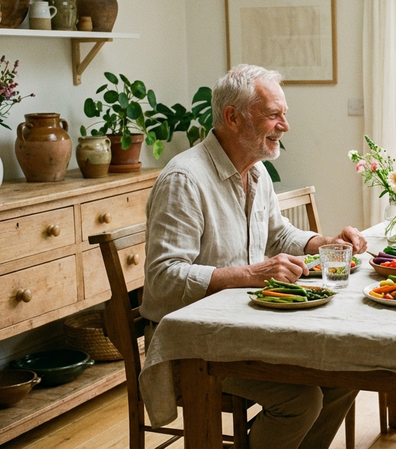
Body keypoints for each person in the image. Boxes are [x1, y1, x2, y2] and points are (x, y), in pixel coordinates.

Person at [141, 64, 366, 449]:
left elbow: (278, 234)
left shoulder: (256, 170)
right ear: (233, 117)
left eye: (284, 115)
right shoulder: (185, 179)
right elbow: (164, 277)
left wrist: (324, 242)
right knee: (301, 399)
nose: (285, 126)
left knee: (344, 376)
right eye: (274, 115)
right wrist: (249, 274)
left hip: (241, 327)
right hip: (192, 344)